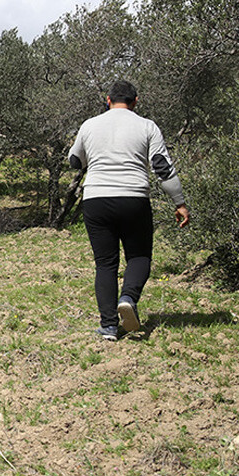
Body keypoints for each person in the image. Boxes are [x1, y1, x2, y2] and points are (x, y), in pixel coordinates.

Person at [68, 80, 190, 341]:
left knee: (105, 263)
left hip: (97, 199)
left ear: (108, 100)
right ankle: (128, 298)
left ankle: (109, 326)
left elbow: (74, 161)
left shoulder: (90, 125)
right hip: (134, 198)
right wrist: (179, 202)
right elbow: (162, 167)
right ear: (136, 101)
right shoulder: (147, 126)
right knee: (139, 256)